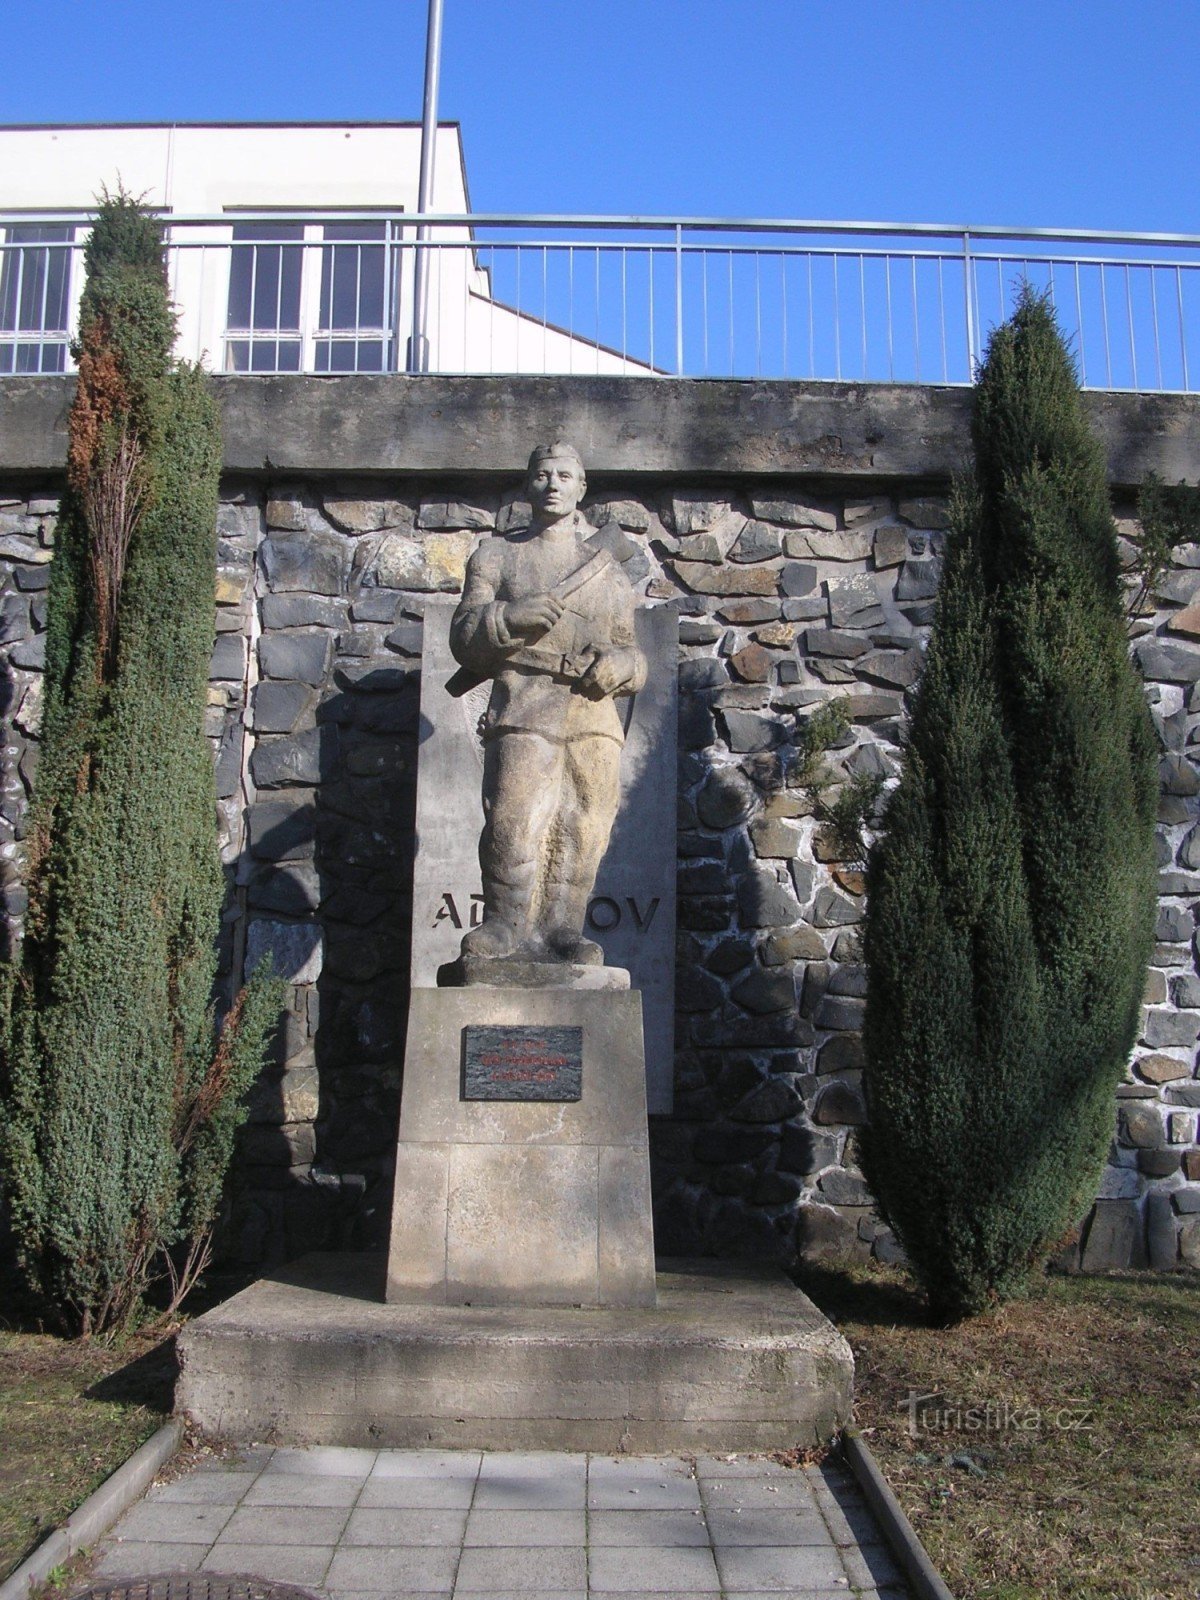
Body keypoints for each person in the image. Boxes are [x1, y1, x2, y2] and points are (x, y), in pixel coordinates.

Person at [448, 441, 646, 966]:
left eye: (565, 475)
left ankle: (563, 927)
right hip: (525, 702)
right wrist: (509, 619)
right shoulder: (498, 555)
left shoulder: (607, 569)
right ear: (528, 485)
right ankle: (505, 924)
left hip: (592, 710)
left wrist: (623, 668)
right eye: (542, 474)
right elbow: (465, 636)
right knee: (512, 819)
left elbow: (631, 651)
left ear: (582, 489)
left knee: (585, 824)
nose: (553, 484)